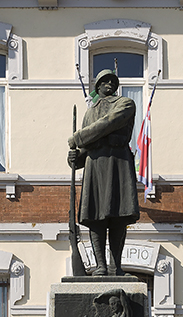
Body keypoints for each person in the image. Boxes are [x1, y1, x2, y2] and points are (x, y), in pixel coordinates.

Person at [67, 69, 139, 276]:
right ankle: (100, 266)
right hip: (95, 166)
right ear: (97, 86)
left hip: (118, 164)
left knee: (118, 215)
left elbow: (109, 123)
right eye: (104, 81)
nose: (109, 83)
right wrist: (74, 158)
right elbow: (83, 150)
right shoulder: (89, 113)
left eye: (112, 80)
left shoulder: (125, 104)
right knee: (95, 217)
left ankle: (116, 266)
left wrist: (79, 138)